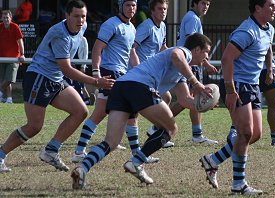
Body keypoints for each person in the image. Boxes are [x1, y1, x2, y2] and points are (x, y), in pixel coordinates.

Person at [71, 33, 213, 189]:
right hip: (139, 86)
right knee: (171, 128)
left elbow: (185, 99)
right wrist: (196, 82)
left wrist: (205, 104)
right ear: (197, 49)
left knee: (111, 142)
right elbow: (175, 55)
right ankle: (136, 162)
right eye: (207, 52)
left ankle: (82, 168)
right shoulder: (183, 52)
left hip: (121, 87)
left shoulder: (182, 72)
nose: (207, 57)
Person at [0, 0, 114, 173]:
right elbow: (67, 68)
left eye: (83, 16)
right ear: (66, 15)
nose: (81, 20)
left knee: (80, 111)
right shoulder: (60, 34)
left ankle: (51, 150)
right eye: (76, 16)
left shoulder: (82, 27)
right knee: (34, 126)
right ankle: (1, 154)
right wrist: (96, 81)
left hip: (56, 79)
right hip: (39, 77)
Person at [199, 0, 275, 195]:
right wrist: (231, 90)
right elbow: (226, 58)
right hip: (238, 85)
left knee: (255, 134)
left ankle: (213, 160)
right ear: (258, 8)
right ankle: (238, 184)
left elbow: (267, 47)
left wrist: (269, 68)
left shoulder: (269, 28)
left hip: (252, 85)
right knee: (245, 133)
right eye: (271, 5)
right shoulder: (247, 31)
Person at [71, 0, 140, 163]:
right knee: (125, 110)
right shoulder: (111, 24)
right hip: (110, 72)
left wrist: (140, 72)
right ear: (120, 6)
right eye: (128, 5)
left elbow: (131, 53)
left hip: (122, 74)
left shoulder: (132, 28)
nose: (131, 8)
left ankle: (79, 151)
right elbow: (97, 48)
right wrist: (96, 73)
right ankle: (137, 154)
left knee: (106, 112)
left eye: (134, 5)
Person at [151, 0, 218, 146]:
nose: (205, 6)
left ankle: (157, 127)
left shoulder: (192, 17)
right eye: (203, 3)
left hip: (189, 62)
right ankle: (196, 134)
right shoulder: (192, 18)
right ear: (194, 3)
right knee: (192, 99)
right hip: (189, 63)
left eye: (208, 4)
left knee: (187, 100)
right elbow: (193, 43)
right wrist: (205, 63)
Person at [129, 0, 174, 149]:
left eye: (165, 9)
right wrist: (138, 68)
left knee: (166, 97)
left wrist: (173, 56)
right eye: (160, 9)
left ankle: (154, 130)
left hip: (152, 73)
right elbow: (132, 48)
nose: (163, 11)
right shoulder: (146, 27)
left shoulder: (162, 26)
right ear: (152, 11)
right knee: (132, 109)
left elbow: (162, 47)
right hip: (141, 73)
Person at [0, 10, 25, 104]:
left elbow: (20, 41)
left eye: (7, 17)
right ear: (1, 18)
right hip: (2, 58)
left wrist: (22, 54)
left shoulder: (15, 26)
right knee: (4, 79)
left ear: (10, 18)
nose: (5, 19)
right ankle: (9, 99)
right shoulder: (0, 27)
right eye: (4, 17)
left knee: (10, 78)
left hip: (14, 57)